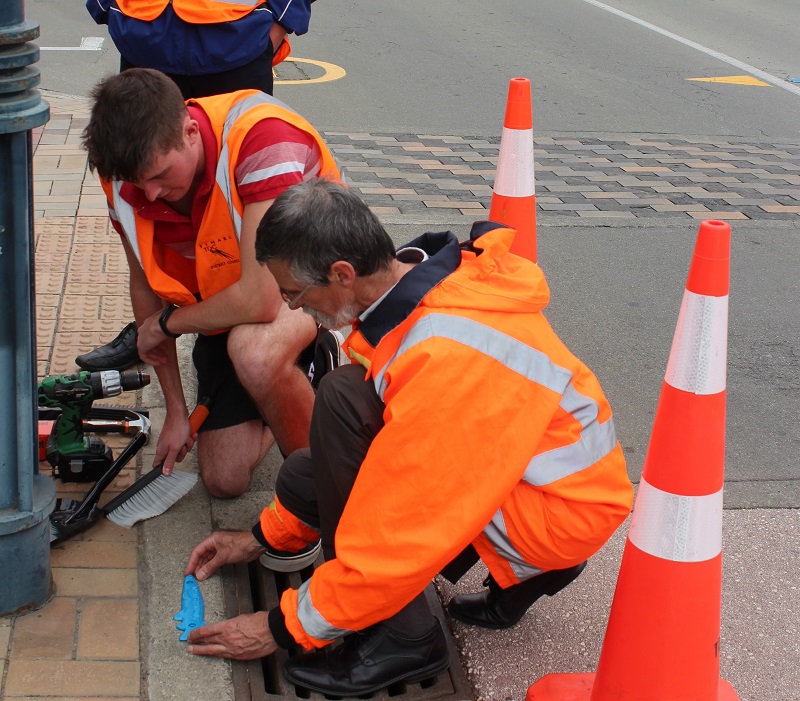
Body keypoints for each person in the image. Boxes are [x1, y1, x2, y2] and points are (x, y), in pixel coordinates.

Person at [182, 179, 634, 695]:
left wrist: (284, 627)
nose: (292, 307)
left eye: (294, 293)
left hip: (557, 511)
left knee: (349, 416)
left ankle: (407, 637)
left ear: (342, 273)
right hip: (541, 479)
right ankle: (525, 577)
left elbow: (400, 528)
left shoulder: (445, 355)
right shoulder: (420, 280)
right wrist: (263, 537)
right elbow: (346, 462)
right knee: (341, 405)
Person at [81, 70, 341, 498]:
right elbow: (143, 286)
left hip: (311, 296)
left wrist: (169, 325)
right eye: (137, 182)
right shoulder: (124, 174)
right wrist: (176, 413)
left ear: (188, 130)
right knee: (224, 480)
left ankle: (321, 492)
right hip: (226, 309)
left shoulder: (261, 139)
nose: (148, 195)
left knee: (254, 352)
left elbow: (259, 302)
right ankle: (283, 387)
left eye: (162, 174)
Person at [78, 0, 314, 372]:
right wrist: (109, 10)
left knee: (244, 201)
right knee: (152, 188)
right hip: (146, 32)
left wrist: (280, 21)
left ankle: (254, 317)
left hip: (235, 39)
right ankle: (157, 328)